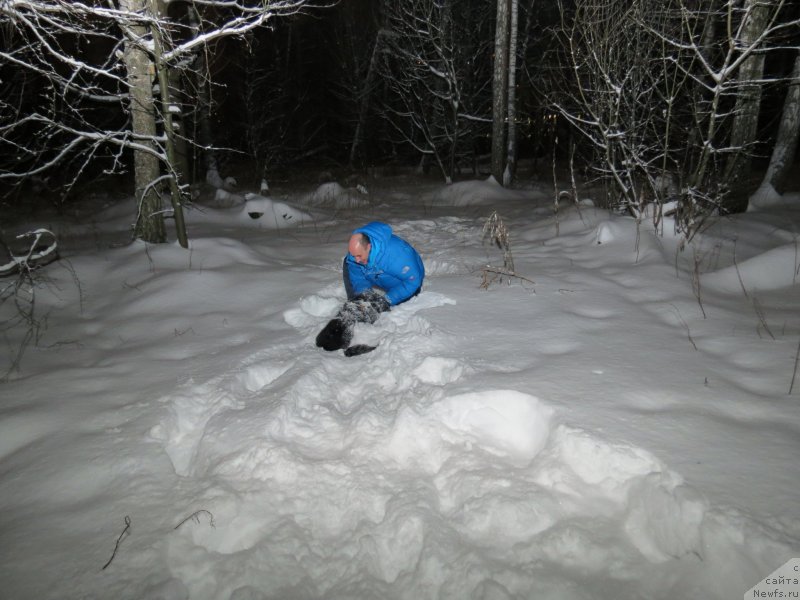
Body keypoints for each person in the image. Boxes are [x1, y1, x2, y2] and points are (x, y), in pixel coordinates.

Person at [316, 221, 425, 355]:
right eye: (354, 255)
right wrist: (363, 298)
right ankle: (344, 324)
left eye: (359, 256)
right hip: (377, 276)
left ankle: (372, 339)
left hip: (403, 282)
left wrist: (387, 299)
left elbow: (413, 281)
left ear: (369, 246)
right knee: (360, 298)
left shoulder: (399, 256)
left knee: (390, 309)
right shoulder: (355, 256)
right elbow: (358, 278)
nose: (356, 259)